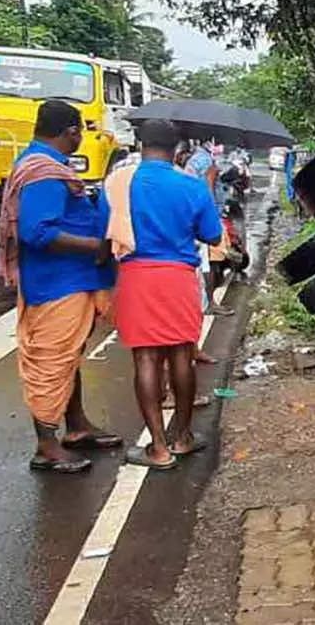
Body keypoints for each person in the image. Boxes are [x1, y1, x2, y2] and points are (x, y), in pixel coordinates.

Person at [0, 100, 120, 472]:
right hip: (57, 283)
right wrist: (96, 246)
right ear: (71, 131)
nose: (81, 137)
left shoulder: (44, 166)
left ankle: (77, 426)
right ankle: (47, 446)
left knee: (68, 358)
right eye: (80, 131)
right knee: (51, 361)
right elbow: (38, 231)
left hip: (68, 279)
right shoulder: (45, 173)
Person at [106, 120, 223, 469]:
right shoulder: (191, 185)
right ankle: (183, 437)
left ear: (141, 144)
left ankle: (157, 447)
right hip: (178, 278)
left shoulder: (118, 183)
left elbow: (104, 230)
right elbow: (213, 236)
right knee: (182, 357)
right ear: (178, 149)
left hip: (136, 276)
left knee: (146, 359)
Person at [183, 138, 233, 316]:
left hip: (191, 212)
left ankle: (201, 299)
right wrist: (211, 217)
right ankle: (210, 302)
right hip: (205, 215)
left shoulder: (194, 160)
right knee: (212, 260)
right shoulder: (206, 161)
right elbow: (209, 190)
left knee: (204, 260)